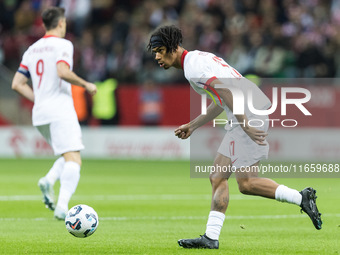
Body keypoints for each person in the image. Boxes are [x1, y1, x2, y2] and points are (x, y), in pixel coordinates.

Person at [147, 25, 322, 249]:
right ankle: (210, 237)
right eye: (155, 52)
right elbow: (221, 99)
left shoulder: (193, 69)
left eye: (160, 50)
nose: (157, 56)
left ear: (173, 47)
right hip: (249, 109)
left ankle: (301, 197)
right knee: (218, 176)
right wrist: (193, 125)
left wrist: (246, 124)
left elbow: (227, 93)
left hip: (249, 112)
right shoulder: (198, 59)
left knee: (246, 183)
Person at [11, 7, 97, 220]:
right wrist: (86, 84)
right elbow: (62, 71)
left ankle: (49, 179)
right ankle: (62, 206)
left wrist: (38, 98)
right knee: (74, 159)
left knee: (67, 154)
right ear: (61, 23)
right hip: (60, 109)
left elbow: (17, 83)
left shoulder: (32, 49)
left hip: (40, 113)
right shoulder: (64, 44)